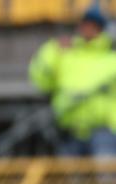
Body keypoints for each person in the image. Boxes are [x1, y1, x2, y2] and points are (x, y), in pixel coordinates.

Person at [29, 5, 116, 157]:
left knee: (106, 171)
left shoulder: (111, 58)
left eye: (93, 25)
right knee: (67, 172)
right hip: (69, 132)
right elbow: (39, 80)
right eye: (85, 24)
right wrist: (53, 50)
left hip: (104, 132)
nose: (87, 28)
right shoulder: (64, 54)